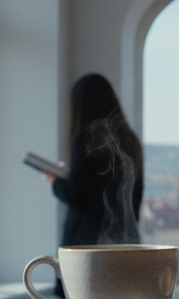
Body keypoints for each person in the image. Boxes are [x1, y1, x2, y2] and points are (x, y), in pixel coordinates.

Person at [50, 73, 145, 257]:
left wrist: (55, 181)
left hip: (85, 246)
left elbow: (76, 196)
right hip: (125, 244)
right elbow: (136, 197)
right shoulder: (131, 140)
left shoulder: (85, 139)